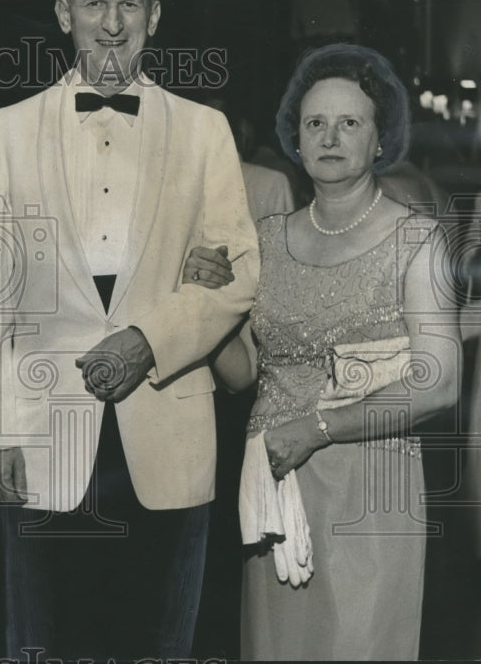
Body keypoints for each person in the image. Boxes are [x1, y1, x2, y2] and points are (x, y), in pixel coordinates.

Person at [0, 0, 259, 662]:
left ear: (155, 16)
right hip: (41, 435)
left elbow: (235, 276)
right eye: (96, 4)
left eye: (129, 5)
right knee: (41, 642)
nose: (113, 23)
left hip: (168, 435)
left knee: (158, 643)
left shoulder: (205, 132)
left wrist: (148, 341)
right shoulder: (5, 130)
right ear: (65, 13)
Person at [183, 43, 460, 660]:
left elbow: (439, 384)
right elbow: (242, 375)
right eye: (315, 123)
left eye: (349, 123)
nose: (330, 137)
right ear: (296, 139)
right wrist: (209, 309)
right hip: (275, 480)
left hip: (371, 485)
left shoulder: (418, 240)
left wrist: (316, 429)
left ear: (380, 139)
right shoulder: (268, 240)